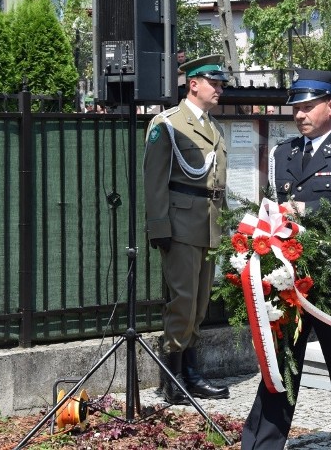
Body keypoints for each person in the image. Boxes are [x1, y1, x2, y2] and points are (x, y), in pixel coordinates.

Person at [243, 69, 331, 450]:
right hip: (289, 286)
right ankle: (260, 445)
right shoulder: (284, 154)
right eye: (296, 108)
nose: (300, 115)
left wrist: (311, 208)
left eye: (308, 107)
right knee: (279, 371)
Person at [143, 54, 231, 404]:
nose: (220, 88)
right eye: (215, 82)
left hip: (208, 226)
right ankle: (172, 376)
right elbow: (155, 180)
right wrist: (159, 227)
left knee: (200, 303)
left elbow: (216, 184)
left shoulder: (213, 127)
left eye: (221, 83)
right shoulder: (167, 124)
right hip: (180, 225)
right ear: (193, 84)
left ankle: (190, 373)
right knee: (181, 301)